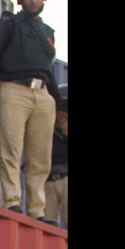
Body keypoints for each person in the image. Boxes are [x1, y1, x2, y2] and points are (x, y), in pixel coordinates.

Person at [0, 0, 61, 226]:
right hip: (14, 89)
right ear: (21, 0)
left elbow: (49, 71)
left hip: (42, 94)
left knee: (40, 158)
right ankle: (12, 200)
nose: (34, 0)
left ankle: (37, 210)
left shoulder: (48, 33)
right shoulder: (9, 24)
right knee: (11, 149)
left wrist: (59, 104)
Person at [44, 84, 68, 228]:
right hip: (48, 179)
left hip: (66, 178)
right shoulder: (44, 121)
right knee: (47, 229)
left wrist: (63, 126)